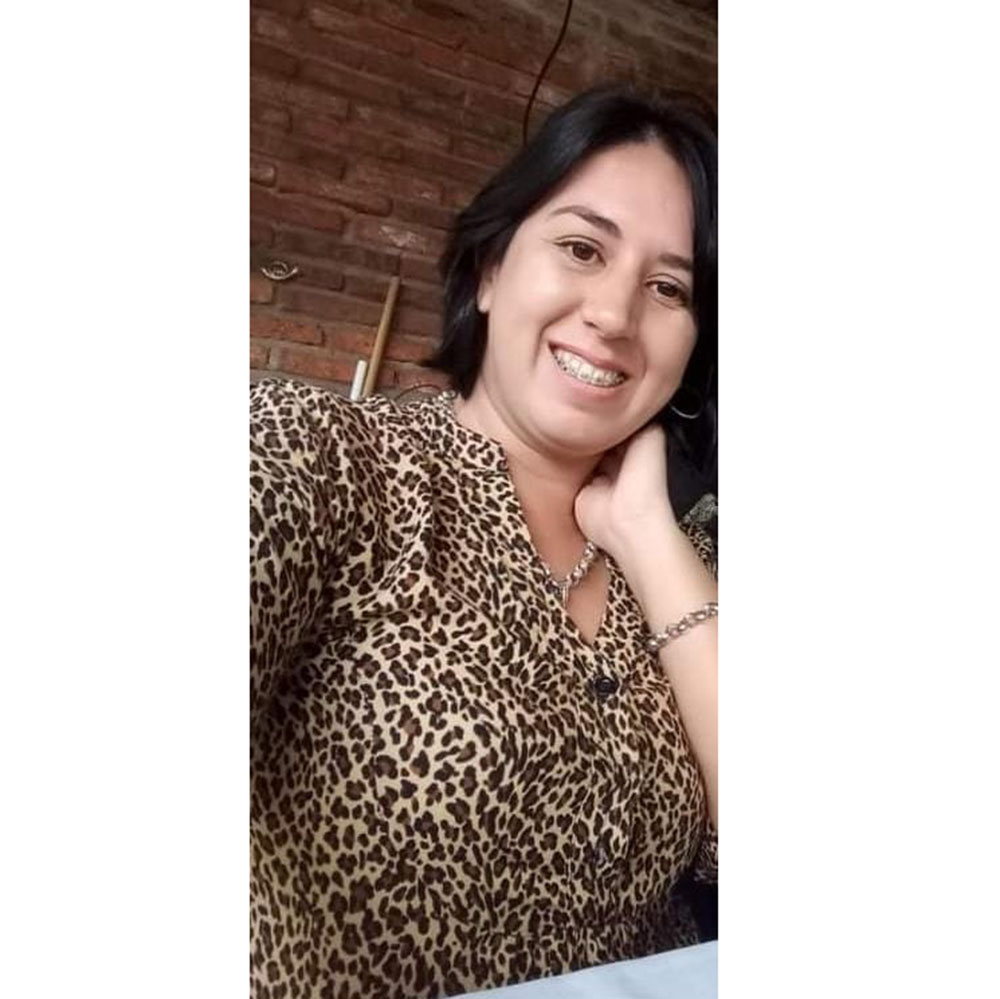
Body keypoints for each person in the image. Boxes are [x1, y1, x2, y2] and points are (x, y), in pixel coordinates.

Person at [250, 84, 718, 999]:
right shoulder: (327, 460)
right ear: (490, 270)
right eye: (582, 248)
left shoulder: (685, 562)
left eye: (668, 287)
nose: (615, 315)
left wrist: (648, 538)